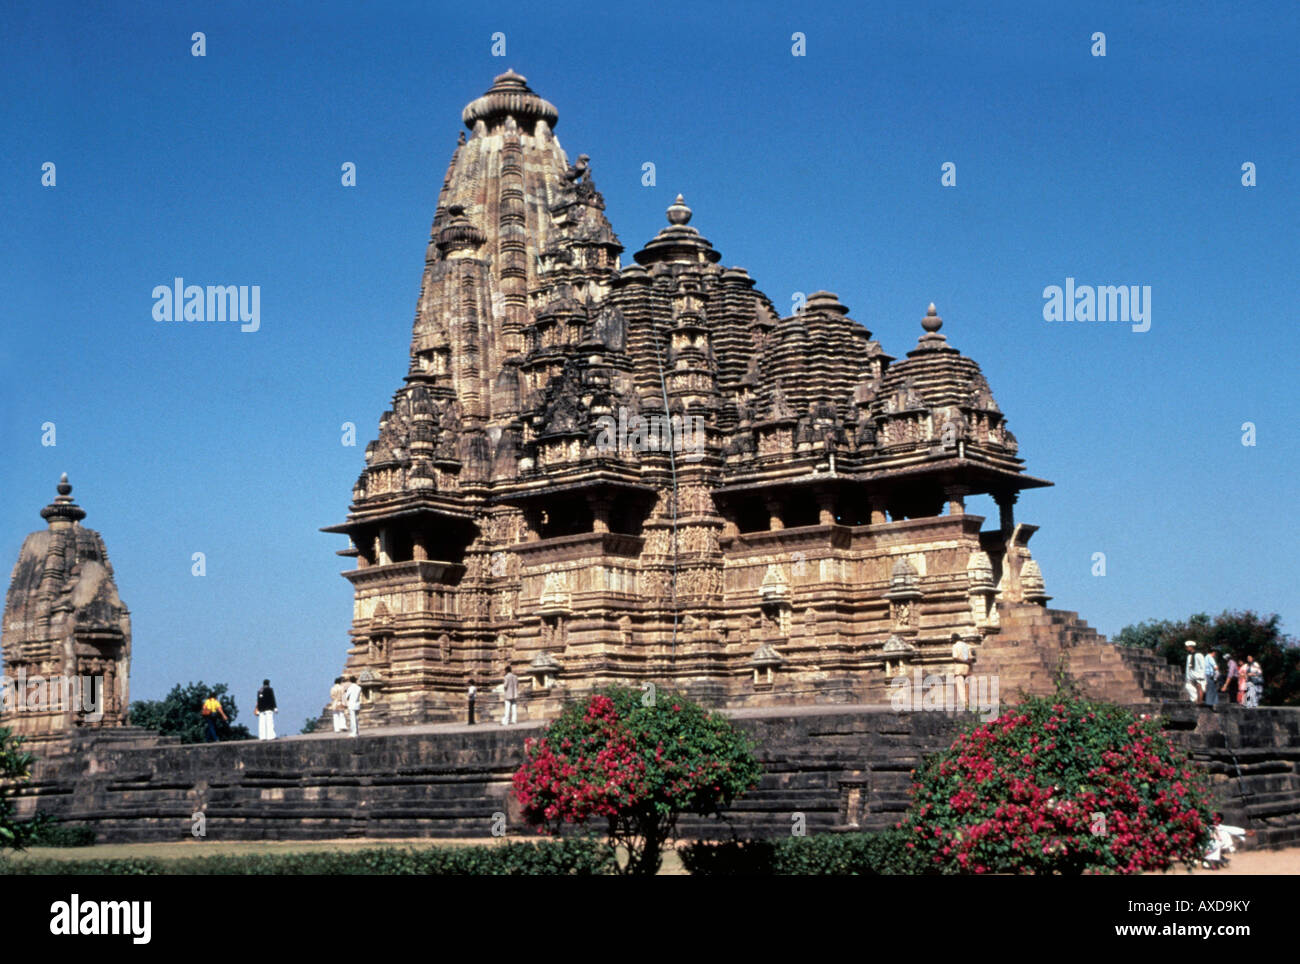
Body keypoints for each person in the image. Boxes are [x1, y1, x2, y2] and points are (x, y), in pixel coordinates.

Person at [950, 633, 974, 710]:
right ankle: (968, 701)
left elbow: (955, 658)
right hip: (966, 667)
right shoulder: (966, 646)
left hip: (959, 668)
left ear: (954, 639)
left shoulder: (955, 646)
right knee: (967, 685)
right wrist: (969, 666)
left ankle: (964, 703)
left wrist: (964, 661)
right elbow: (970, 658)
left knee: (960, 685)